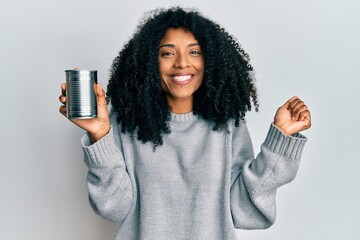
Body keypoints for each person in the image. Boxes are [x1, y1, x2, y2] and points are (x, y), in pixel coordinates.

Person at [59, 6, 311, 240]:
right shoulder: (125, 123)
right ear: (149, 63)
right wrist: (100, 134)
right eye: (167, 53)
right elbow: (114, 207)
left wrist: (279, 143)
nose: (181, 62)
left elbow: (244, 211)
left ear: (210, 60)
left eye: (194, 52)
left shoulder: (227, 124)